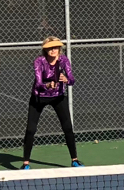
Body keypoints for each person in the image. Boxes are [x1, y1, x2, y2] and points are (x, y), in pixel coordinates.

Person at [22, 36, 81, 169]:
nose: (53, 50)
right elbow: (38, 83)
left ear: (59, 49)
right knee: (31, 130)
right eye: (49, 48)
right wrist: (48, 86)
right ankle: (26, 163)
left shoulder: (64, 60)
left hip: (58, 97)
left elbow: (72, 80)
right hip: (39, 97)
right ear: (45, 49)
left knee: (68, 128)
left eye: (55, 47)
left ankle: (75, 160)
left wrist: (66, 79)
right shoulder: (39, 61)